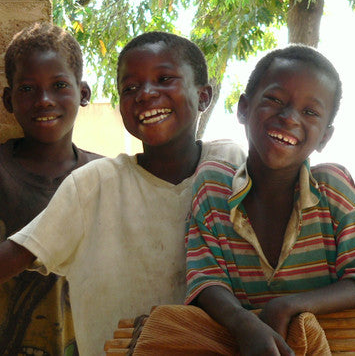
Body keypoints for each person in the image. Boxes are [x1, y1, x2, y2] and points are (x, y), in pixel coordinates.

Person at [0, 31, 245, 355]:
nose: (145, 94)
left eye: (164, 79)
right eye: (130, 88)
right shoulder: (91, 186)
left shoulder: (230, 166)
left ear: (204, 96)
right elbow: (17, 256)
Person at [153, 45, 355, 355]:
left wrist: (286, 307)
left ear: (325, 137)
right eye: (275, 100)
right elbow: (204, 281)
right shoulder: (214, 188)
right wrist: (243, 324)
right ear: (243, 108)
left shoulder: (332, 188)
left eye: (310, 112)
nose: (289, 117)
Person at [0, 23, 101, 355]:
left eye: (59, 85)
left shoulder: (105, 178)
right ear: (8, 99)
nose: (44, 101)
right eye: (27, 89)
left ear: (83, 93)